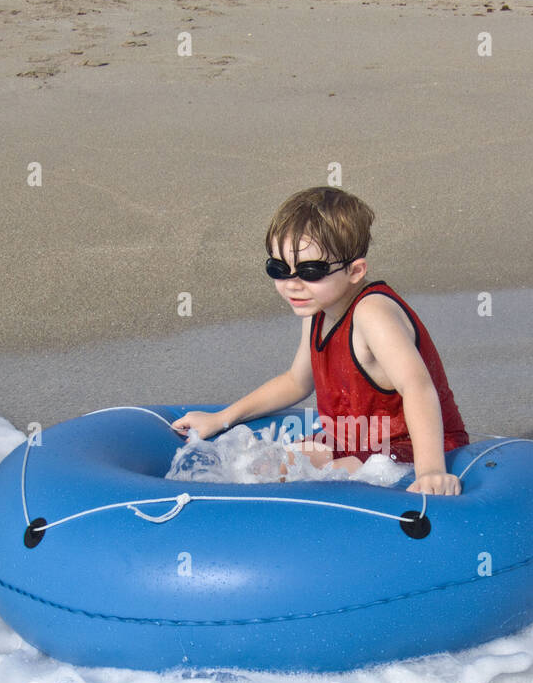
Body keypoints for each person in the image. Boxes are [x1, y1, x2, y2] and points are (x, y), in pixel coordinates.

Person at [171, 187, 470, 495]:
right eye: (277, 268)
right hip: (352, 441)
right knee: (266, 465)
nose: (292, 284)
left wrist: (431, 470)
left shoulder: (372, 314)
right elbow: (296, 382)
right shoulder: (318, 311)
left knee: (311, 479)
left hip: (408, 451)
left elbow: (417, 386)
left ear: (355, 271)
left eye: (311, 271)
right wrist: (222, 418)